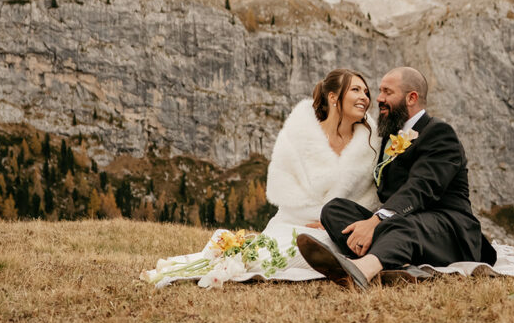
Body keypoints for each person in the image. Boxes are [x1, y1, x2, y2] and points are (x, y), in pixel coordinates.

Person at [143, 68, 381, 286]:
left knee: (314, 251)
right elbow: (288, 189)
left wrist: (333, 222)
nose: (365, 97)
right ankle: (209, 263)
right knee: (271, 252)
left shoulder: (371, 144)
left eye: (366, 92)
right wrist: (314, 218)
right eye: (356, 90)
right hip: (294, 222)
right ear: (333, 97)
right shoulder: (305, 137)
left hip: (339, 231)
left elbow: (369, 196)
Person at [297, 66, 497, 290]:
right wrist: (362, 220)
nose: (379, 98)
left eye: (387, 92)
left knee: (400, 224)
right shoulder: (390, 138)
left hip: (448, 230)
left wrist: (374, 222)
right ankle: (396, 265)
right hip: (402, 223)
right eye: (380, 91)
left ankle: (362, 270)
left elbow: (420, 188)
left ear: (411, 98)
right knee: (334, 210)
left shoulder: (440, 133)